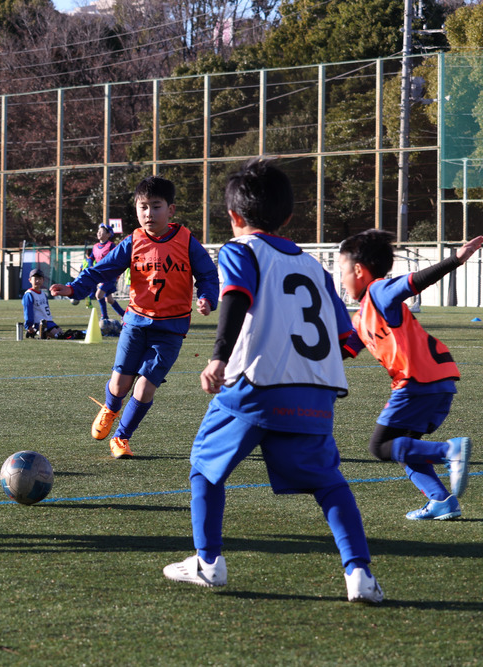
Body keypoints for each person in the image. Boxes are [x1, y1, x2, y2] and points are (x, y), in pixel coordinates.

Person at [161, 158, 383, 604]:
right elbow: (348, 340)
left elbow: (236, 297)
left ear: (233, 216)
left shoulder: (240, 250)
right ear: (288, 216)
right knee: (328, 483)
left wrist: (219, 357)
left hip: (256, 386)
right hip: (315, 393)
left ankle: (208, 562)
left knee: (205, 466)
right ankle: (359, 573)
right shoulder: (316, 268)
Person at [50, 175, 219, 459]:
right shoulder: (133, 241)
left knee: (144, 388)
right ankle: (111, 407)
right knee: (120, 384)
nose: (149, 213)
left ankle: (121, 437)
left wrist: (207, 298)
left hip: (171, 329)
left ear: (171, 210)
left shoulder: (187, 241)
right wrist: (74, 288)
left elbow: (208, 275)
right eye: (143, 207)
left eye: (156, 206)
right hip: (136, 323)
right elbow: (101, 270)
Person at [339, 229, 480, 520]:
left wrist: (455, 259)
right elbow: (343, 350)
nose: (341, 279)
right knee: (404, 446)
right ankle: (441, 501)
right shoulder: (361, 316)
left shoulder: (378, 291)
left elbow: (413, 283)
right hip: (435, 382)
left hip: (417, 381)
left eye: (342, 271)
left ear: (359, 270)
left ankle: (448, 451)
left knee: (381, 446)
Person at [89, 223, 126, 323]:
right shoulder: (95, 246)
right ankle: (124, 315)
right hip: (101, 275)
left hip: (110, 276)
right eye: (98, 231)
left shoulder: (111, 245)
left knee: (98, 295)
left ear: (108, 234)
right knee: (109, 299)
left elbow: (116, 258)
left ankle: (104, 317)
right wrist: (90, 266)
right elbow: (91, 258)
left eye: (101, 232)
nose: (98, 233)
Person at [22, 268, 62, 339]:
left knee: (61, 332)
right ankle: (36, 331)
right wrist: (29, 325)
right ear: (30, 280)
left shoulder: (43, 294)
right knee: (57, 335)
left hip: (49, 321)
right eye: (35, 278)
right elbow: (28, 311)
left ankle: (37, 332)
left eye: (40, 278)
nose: (38, 281)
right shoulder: (29, 294)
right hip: (39, 322)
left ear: (43, 280)